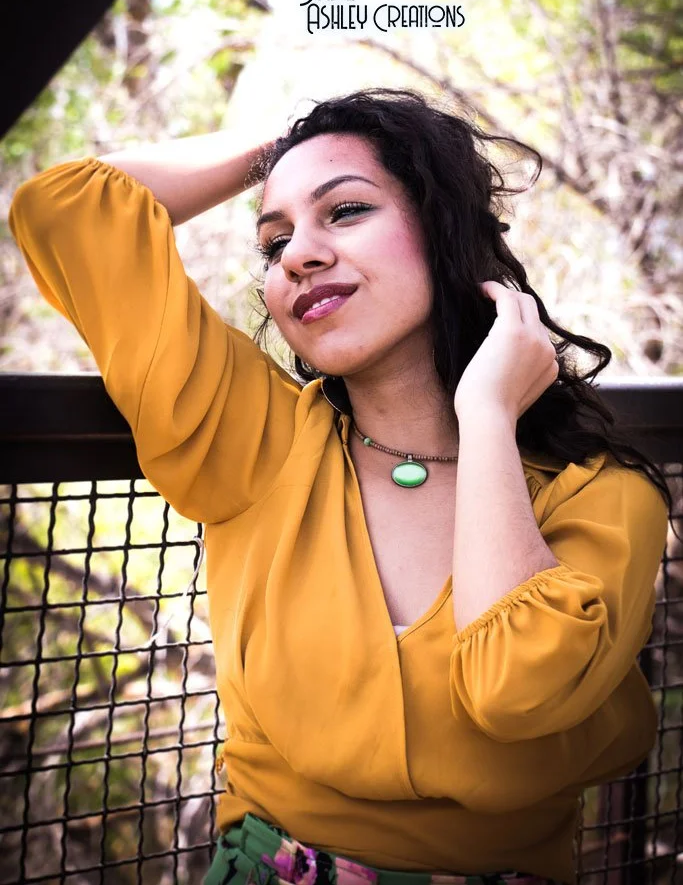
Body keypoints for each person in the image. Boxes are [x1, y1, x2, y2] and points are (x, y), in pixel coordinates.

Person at [8, 87, 675, 885]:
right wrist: (293, 141)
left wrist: (487, 416)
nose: (297, 255)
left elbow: (516, 688)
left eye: (347, 210)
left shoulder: (599, 495)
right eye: (274, 241)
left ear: (443, 226)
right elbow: (66, 209)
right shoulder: (256, 440)